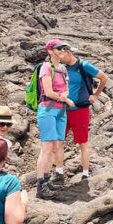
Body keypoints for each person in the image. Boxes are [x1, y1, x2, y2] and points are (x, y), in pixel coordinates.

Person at [60, 43, 108, 179]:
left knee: (82, 142)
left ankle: (85, 173)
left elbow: (103, 78)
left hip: (80, 109)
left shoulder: (83, 65)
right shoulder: (61, 68)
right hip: (62, 109)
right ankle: (58, 171)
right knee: (57, 140)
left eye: (61, 54)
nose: (60, 57)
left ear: (68, 52)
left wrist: (96, 95)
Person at [35, 39, 74, 199]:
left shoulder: (63, 69)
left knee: (56, 145)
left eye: (63, 48)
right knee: (46, 148)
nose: (62, 50)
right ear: (50, 51)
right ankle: (40, 186)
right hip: (48, 110)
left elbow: (67, 90)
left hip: (60, 112)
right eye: (59, 48)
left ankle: (47, 179)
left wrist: (66, 96)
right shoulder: (46, 67)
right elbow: (49, 92)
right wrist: (65, 99)